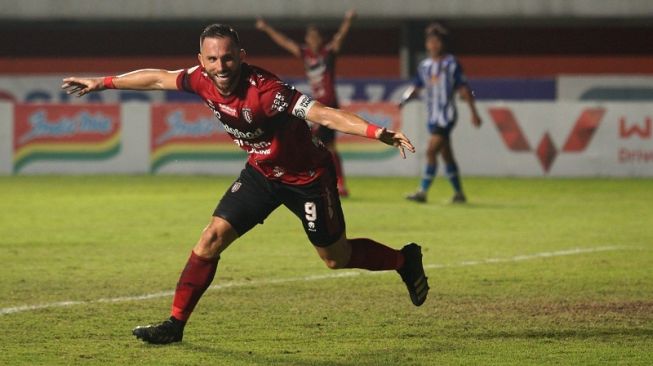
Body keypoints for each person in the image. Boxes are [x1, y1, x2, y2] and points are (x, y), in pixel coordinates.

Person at [62, 24, 429, 345]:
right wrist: (102, 82)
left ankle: (403, 259)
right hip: (262, 174)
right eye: (212, 59)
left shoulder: (268, 92)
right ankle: (175, 325)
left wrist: (376, 132)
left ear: (241, 56)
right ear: (202, 60)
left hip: (308, 179)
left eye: (227, 58)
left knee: (336, 258)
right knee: (210, 239)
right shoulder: (200, 79)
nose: (220, 67)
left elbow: (322, 113)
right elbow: (158, 77)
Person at [255, 10, 356, 197]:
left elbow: (340, 37)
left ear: (321, 39)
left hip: (328, 104)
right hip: (318, 105)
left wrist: (348, 21)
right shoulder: (306, 54)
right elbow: (285, 43)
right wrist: (267, 28)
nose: (312, 40)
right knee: (328, 146)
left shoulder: (328, 54)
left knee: (311, 141)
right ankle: (337, 183)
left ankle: (312, 180)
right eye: (309, 37)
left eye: (315, 37)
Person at [400, 23, 481, 204]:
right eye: (430, 41)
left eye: (436, 41)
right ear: (427, 44)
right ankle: (459, 194)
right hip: (432, 117)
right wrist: (404, 100)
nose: (433, 45)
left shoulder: (451, 63)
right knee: (446, 155)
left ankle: (422, 192)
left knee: (430, 151)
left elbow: (464, 88)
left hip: (446, 115)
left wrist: (473, 112)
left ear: (442, 44)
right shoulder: (425, 66)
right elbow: (416, 87)